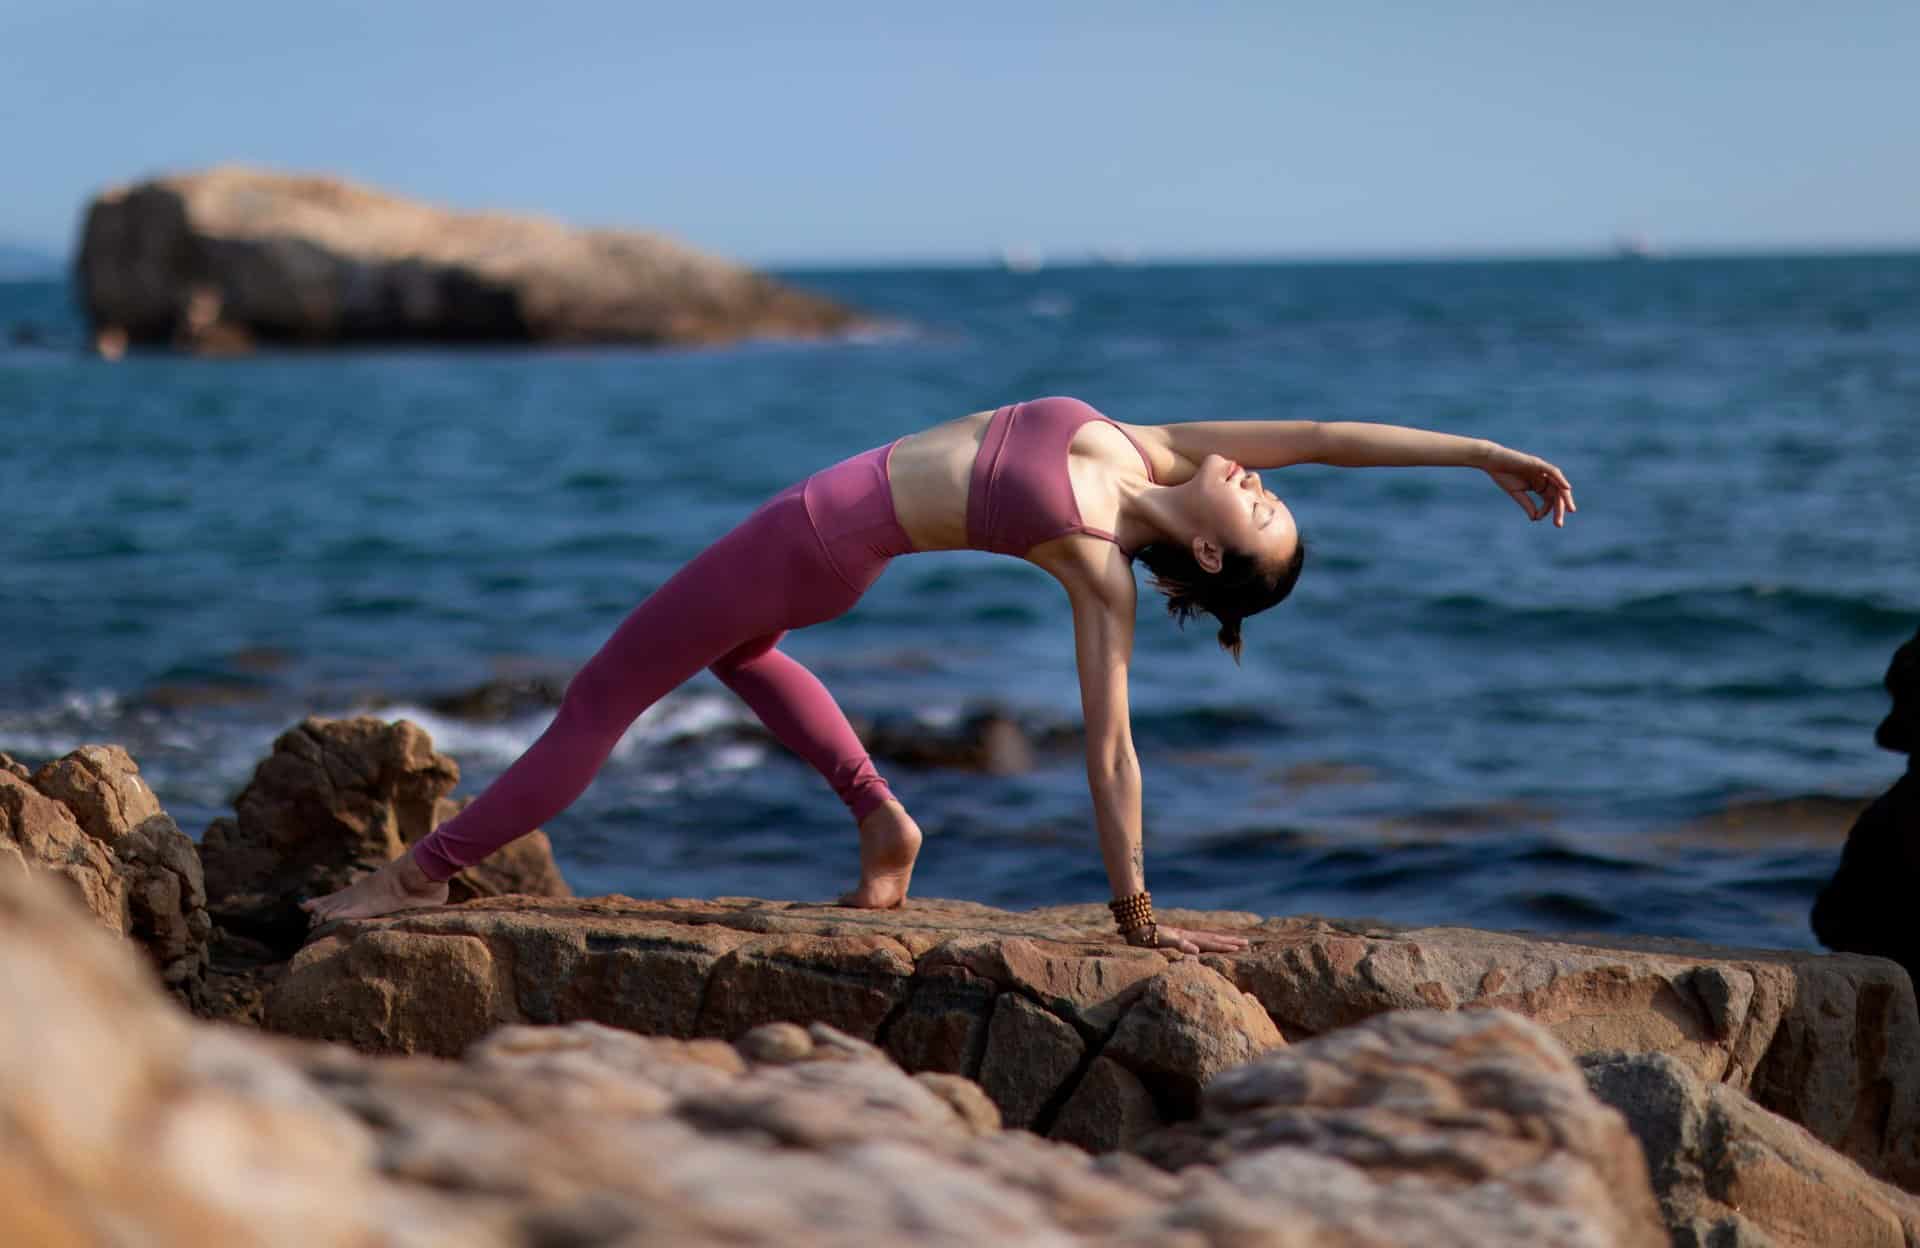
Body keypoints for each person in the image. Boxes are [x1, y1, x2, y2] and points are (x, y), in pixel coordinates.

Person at [301, 396, 1574, 952]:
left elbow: (1112, 744)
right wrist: (1480, 453)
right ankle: (883, 816)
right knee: (739, 657)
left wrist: (1135, 914)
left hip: (800, 542)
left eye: (1259, 519)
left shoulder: (1097, 561)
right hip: (812, 556)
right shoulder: (1157, 445)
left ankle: (415, 879)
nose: (1262, 486)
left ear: (1202, 554)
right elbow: (1326, 438)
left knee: (601, 701)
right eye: (1269, 498)